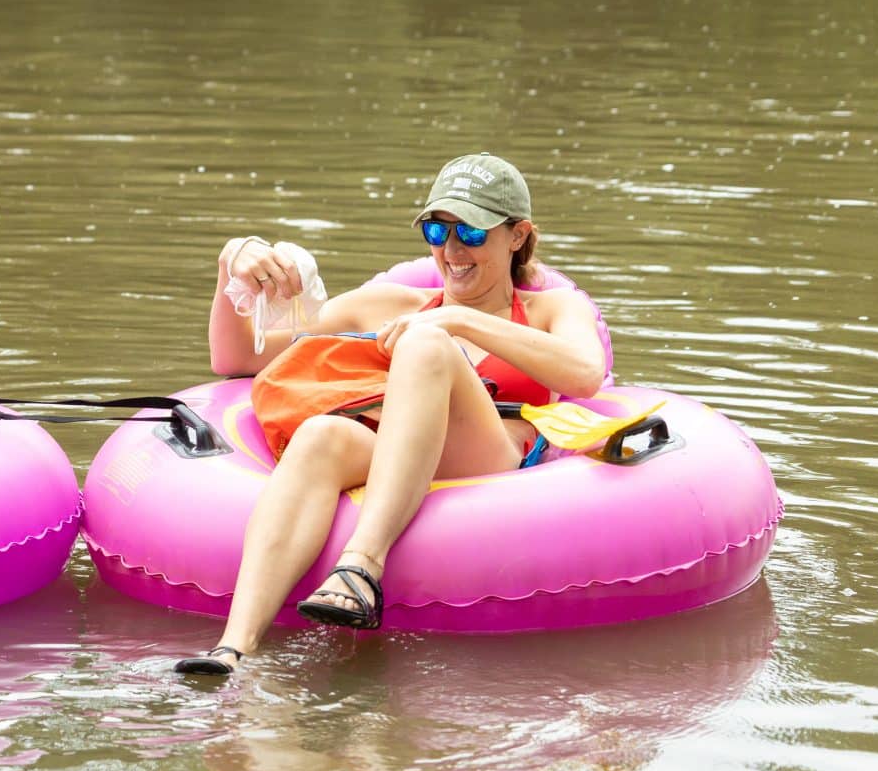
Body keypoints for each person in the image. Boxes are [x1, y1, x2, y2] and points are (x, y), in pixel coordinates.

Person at [178, 152, 607, 677]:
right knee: (320, 436)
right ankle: (233, 649)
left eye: (471, 234)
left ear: (517, 236)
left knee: (426, 344)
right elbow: (237, 360)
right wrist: (231, 264)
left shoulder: (551, 310)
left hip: (490, 453)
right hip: (406, 446)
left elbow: (585, 373)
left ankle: (362, 565)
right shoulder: (385, 303)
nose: (451, 252)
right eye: (436, 229)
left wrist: (460, 323)